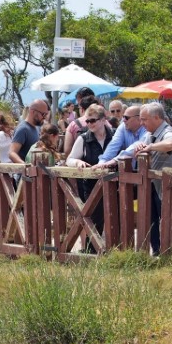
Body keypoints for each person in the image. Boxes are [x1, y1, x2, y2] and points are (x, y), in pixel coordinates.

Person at [133, 102, 172, 254]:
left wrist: (150, 147)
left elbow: (170, 143)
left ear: (157, 118)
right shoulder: (150, 134)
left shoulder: (168, 131)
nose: (141, 123)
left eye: (144, 119)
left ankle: (167, 263)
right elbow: (140, 145)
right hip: (171, 189)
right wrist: (140, 145)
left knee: (169, 229)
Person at [65, 103, 113, 249]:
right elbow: (70, 159)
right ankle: (91, 251)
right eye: (87, 121)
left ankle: (115, 250)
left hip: (113, 185)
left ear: (103, 119)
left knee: (115, 217)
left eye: (93, 120)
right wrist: (78, 162)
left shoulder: (115, 135)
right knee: (93, 219)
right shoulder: (83, 138)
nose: (89, 124)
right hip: (91, 186)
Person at [63, 89, 98, 156]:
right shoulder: (104, 122)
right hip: (102, 163)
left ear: (81, 107)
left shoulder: (73, 125)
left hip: (79, 164)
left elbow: (67, 151)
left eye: (78, 104)